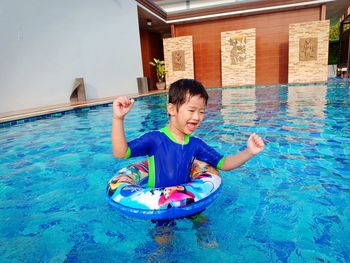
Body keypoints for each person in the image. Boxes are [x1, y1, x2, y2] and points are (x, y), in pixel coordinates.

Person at [111, 78, 265, 247]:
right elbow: (121, 152)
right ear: (172, 109)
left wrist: (249, 151)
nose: (197, 117)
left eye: (202, 112)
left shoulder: (195, 144)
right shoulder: (155, 139)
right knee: (163, 246)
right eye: (191, 110)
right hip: (161, 208)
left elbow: (224, 163)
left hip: (191, 203)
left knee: (207, 236)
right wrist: (118, 119)